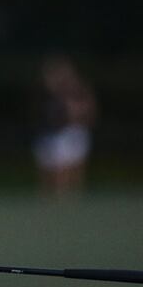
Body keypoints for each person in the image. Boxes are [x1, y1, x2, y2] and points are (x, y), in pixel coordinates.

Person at [32, 55, 97, 196]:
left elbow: (87, 111)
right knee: (51, 174)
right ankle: (53, 201)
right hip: (51, 134)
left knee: (70, 173)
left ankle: (69, 201)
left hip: (70, 133)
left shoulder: (77, 89)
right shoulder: (46, 92)